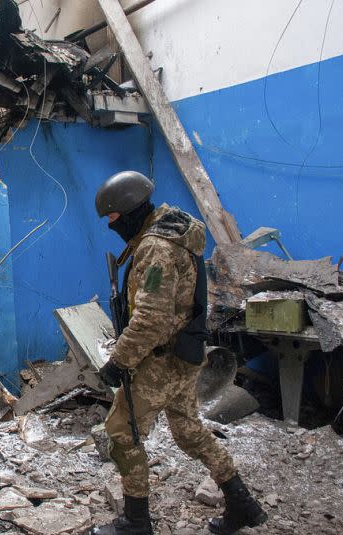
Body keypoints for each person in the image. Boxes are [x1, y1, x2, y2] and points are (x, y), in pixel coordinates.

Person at [88, 171, 268, 535]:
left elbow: (151, 318)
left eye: (114, 219)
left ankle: (136, 522)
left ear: (132, 211)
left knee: (120, 432)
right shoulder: (175, 232)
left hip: (160, 361)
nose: (111, 227)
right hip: (184, 354)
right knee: (188, 431)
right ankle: (241, 502)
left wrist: (117, 362)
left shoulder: (156, 248)